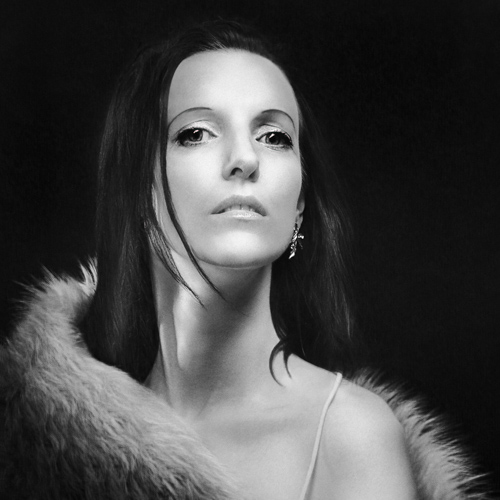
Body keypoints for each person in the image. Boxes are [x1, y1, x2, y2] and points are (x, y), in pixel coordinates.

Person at [0, 20, 488, 500]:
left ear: (300, 206)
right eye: (196, 132)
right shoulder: (49, 430)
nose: (245, 159)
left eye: (274, 137)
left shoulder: (351, 435)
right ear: (139, 190)